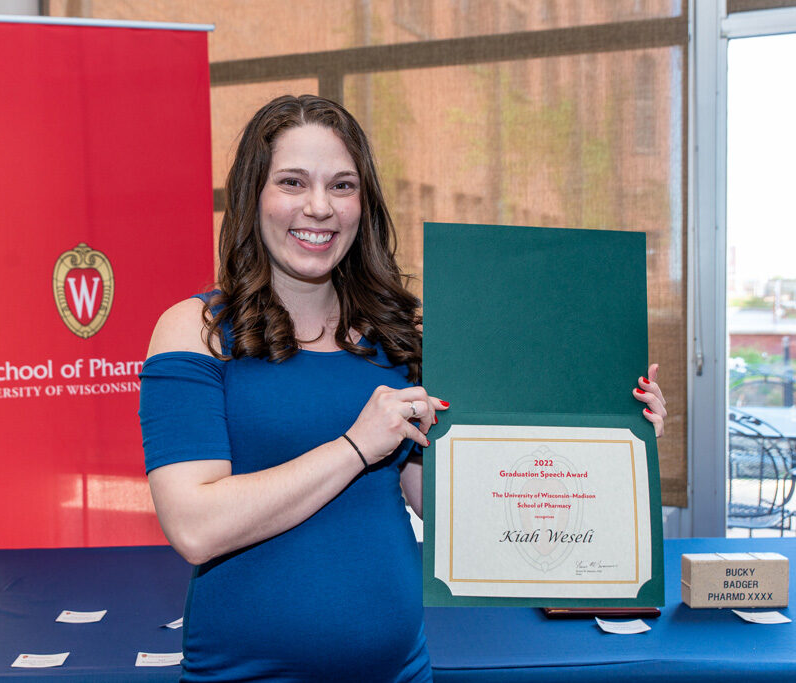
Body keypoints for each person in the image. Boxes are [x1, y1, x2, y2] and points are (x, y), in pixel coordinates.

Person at [139, 94, 668, 682]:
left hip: (400, 671)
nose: (318, 207)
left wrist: (610, 439)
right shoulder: (197, 329)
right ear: (253, 196)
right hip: (243, 675)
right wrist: (357, 447)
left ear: (363, 205)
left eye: (342, 186)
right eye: (292, 182)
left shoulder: (397, 334)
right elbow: (194, 526)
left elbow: (460, 509)